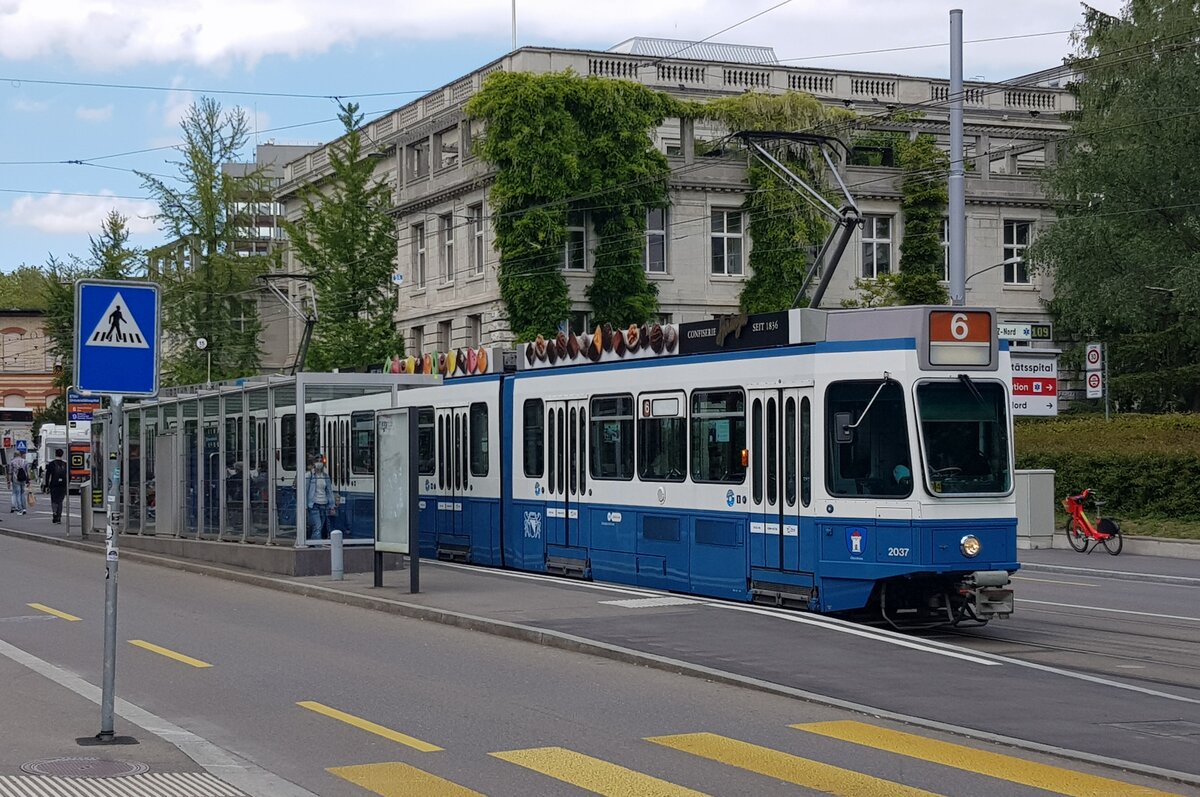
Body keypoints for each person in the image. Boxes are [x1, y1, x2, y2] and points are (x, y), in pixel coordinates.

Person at [305, 456, 335, 540]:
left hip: (324, 504)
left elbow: (329, 491)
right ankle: (317, 545)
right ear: (313, 463)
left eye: (321, 461)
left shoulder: (325, 476)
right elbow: (305, 491)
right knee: (317, 526)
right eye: (317, 461)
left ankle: (313, 542)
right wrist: (305, 506)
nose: (319, 463)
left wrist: (332, 506)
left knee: (319, 527)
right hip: (314, 505)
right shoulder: (309, 475)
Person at [42, 448, 69, 524]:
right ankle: (59, 517)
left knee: (54, 500)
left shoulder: (51, 464)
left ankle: (55, 514)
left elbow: (47, 475)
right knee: (60, 501)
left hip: (54, 485)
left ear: (55, 454)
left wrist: (46, 485)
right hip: (63, 485)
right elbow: (69, 475)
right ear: (62, 455)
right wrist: (67, 483)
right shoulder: (65, 464)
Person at [9, 450, 30, 515]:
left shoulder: (12, 462)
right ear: (20, 455)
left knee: (17, 493)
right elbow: (28, 471)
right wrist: (28, 480)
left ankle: (20, 509)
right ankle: (24, 509)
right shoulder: (25, 461)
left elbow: (10, 472)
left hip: (16, 479)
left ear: (15, 455)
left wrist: (9, 480)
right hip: (23, 479)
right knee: (22, 493)